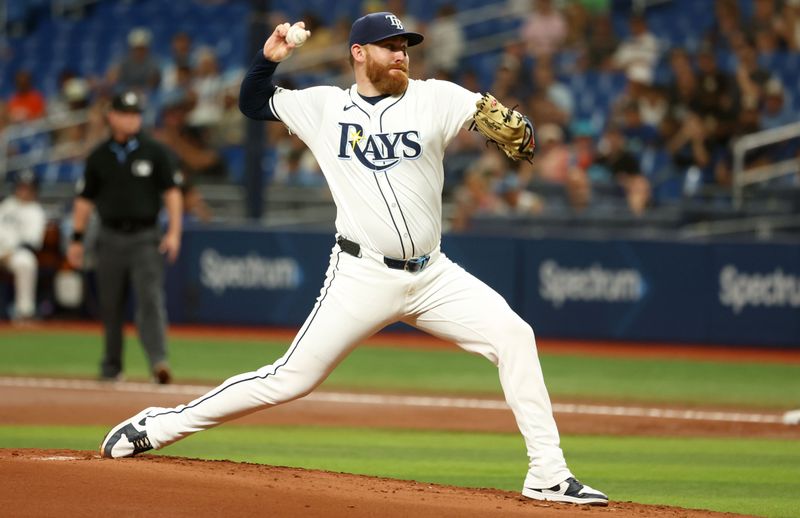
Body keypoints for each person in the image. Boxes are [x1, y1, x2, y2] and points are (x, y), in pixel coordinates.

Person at [98, 13, 608, 507]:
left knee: (514, 335)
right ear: (359, 54)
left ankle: (548, 473)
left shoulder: (435, 98)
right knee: (288, 379)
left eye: (406, 48)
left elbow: (502, 123)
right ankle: (157, 426)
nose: (401, 56)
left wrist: (512, 125)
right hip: (360, 274)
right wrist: (267, 59)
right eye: (391, 47)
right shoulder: (323, 108)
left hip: (433, 276)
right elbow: (253, 103)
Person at [66, 91, 182, 384]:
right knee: (110, 304)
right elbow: (84, 200)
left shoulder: (154, 151)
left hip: (145, 236)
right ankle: (111, 365)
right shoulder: (99, 156)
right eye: (126, 113)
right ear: (112, 117)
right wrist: (77, 239)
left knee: (150, 300)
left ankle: (159, 363)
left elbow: (172, 192)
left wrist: (174, 232)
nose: (132, 119)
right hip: (109, 236)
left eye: (135, 114)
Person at [0, 169, 47, 322]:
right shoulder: (6, 205)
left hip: (15, 253)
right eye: (21, 186)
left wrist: (8, 254)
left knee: (26, 262)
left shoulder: (36, 211)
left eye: (28, 187)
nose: (24, 191)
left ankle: (24, 311)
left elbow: (31, 243)